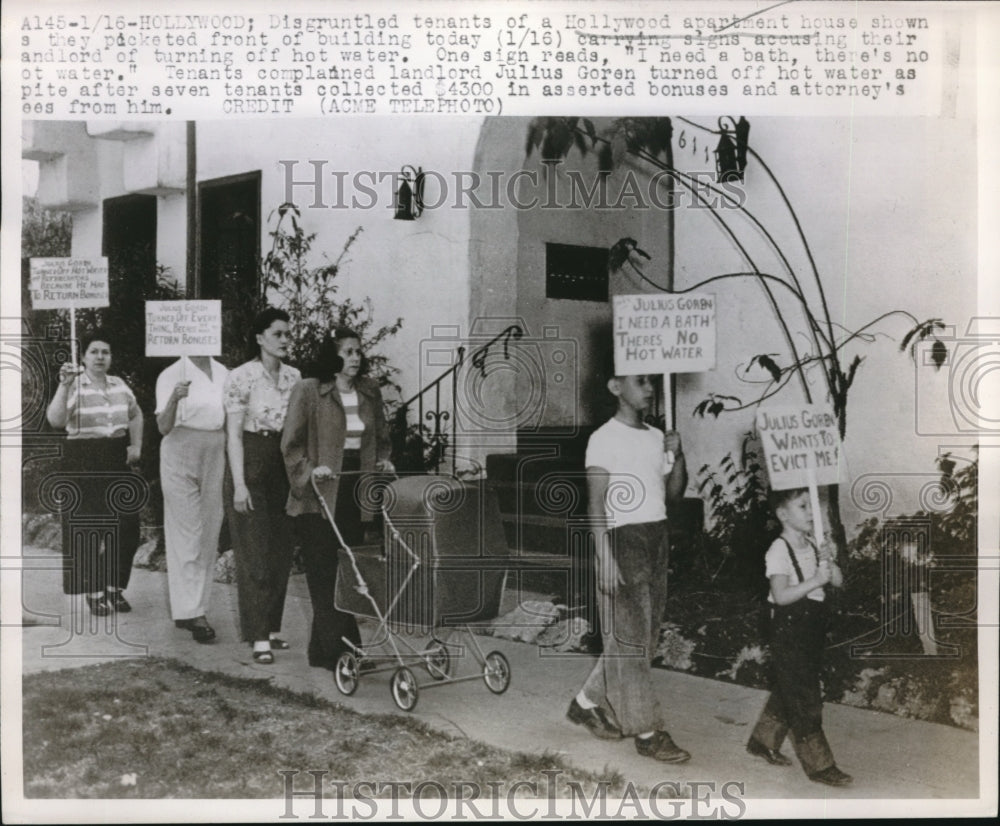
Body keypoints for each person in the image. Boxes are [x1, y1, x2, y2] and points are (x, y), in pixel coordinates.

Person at [566, 372, 691, 764]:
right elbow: (595, 503)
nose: (650, 388)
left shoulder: (656, 437)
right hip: (622, 538)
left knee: (642, 639)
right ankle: (648, 732)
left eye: (652, 381)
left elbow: (674, 493)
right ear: (615, 387)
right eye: (641, 381)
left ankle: (585, 703)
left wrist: (678, 456)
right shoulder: (604, 438)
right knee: (632, 641)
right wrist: (604, 556)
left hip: (656, 536)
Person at [282, 329, 394, 672]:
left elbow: (382, 438)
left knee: (347, 570)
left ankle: (324, 652)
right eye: (347, 352)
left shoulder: (369, 390)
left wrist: (382, 461)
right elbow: (291, 444)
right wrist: (310, 471)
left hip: (355, 490)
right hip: (319, 492)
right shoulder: (309, 390)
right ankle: (343, 653)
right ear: (333, 356)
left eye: (358, 351)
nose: (355, 357)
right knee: (323, 571)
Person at [746, 488, 852, 787]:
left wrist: (829, 562)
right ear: (783, 514)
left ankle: (763, 741)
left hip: (811, 626)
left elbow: (838, 582)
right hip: (787, 628)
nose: (811, 512)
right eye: (803, 506)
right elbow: (780, 596)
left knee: (791, 685)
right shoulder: (778, 551)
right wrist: (815, 580)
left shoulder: (813, 544)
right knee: (805, 697)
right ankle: (820, 764)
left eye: (811, 506)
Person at [45, 330, 144, 616]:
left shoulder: (119, 384)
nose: (100, 357)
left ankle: (114, 586)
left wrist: (136, 444)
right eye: (94, 351)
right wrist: (64, 385)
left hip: (115, 457)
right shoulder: (74, 384)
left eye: (105, 352)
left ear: (111, 357)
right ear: (84, 356)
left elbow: (136, 414)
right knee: (89, 528)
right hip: (83, 460)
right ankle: (93, 590)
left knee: (127, 525)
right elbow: (56, 420)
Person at [223, 308, 301, 664]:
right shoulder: (241, 377)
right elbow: (234, 436)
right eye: (277, 333)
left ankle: (269, 628)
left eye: (287, 333)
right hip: (251, 460)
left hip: (284, 463)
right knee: (254, 551)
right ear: (259, 338)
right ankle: (257, 636)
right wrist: (239, 485)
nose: (285, 339)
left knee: (280, 552)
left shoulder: (295, 377)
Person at [155, 354, 228, 643]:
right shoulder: (171, 373)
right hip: (180, 447)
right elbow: (163, 426)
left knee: (209, 530)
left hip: (215, 448)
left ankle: (190, 608)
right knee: (187, 532)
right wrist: (175, 398)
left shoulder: (224, 373)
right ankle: (194, 612)